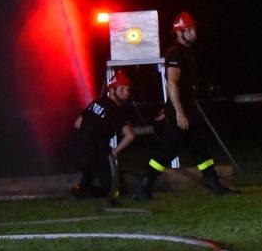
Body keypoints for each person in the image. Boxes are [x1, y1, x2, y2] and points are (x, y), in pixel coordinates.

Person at [133, 11, 238, 198]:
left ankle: (214, 185)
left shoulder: (186, 53)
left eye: (194, 30)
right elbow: (171, 82)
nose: (194, 34)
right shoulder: (175, 53)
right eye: (189, 30)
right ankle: (144, 187)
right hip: (179, 112)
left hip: (189, 110)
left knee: (200, 147)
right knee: (167, 151)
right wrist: (179, 113)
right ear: (179, 32)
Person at [69, 69, 138, 201]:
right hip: (96, 154)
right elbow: (130, 136)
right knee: (116, 190)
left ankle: (82, 185)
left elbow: (77, 123)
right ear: (112, 90)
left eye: (128, 90)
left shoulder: (95, 103)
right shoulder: (116, 111)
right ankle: (85, 191)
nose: (126, 93)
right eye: (122, 89)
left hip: (76, 152)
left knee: (94, 167)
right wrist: (114, 152)